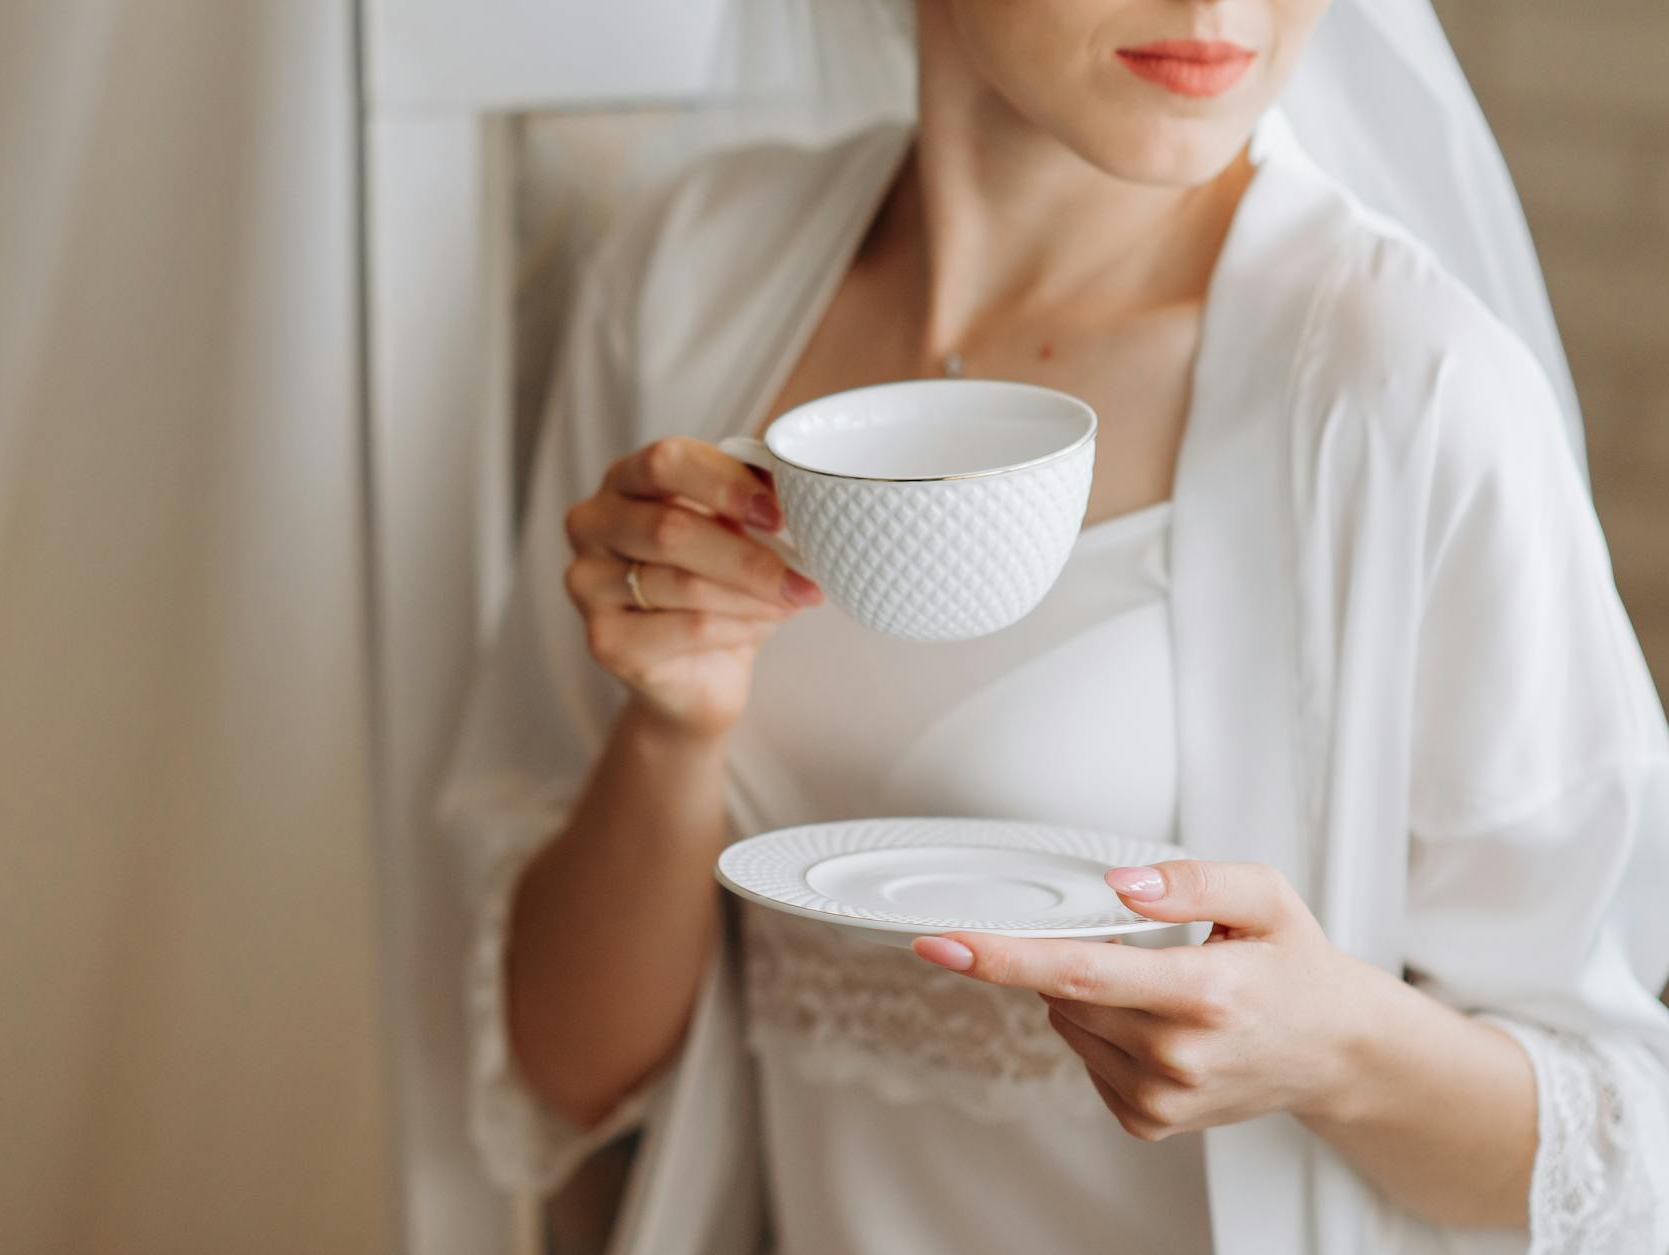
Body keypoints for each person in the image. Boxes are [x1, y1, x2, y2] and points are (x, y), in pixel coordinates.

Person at [438, 1, 1669, 1251]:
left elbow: (1619, 1148)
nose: (1216, 8)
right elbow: (560, 1074)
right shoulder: (690, 274)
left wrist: (1334, 1051)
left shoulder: (1408, 390)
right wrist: (670, 732)